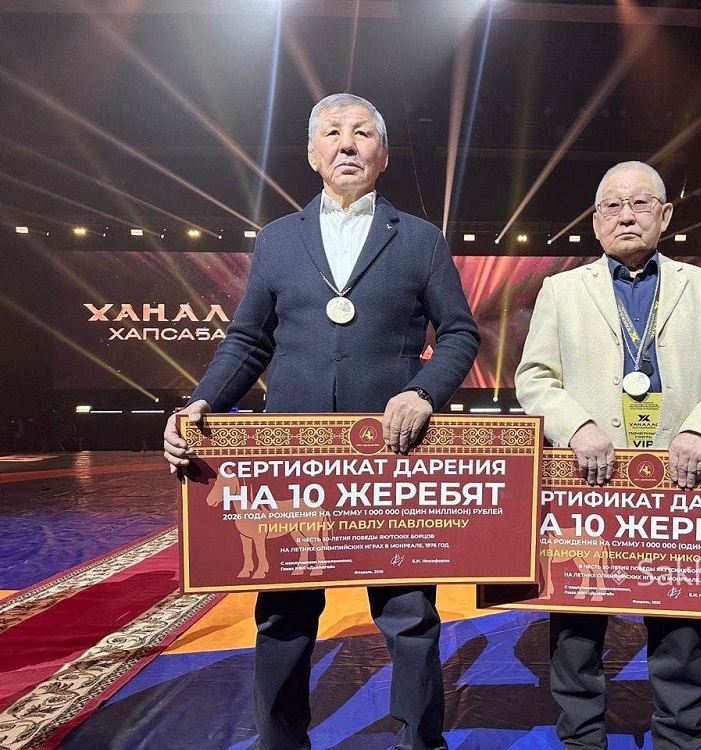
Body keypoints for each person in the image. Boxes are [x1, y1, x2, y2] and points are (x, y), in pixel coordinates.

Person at [163, 93, 480, 750]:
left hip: (391, 458)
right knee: (283, 618)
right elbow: (248, 339)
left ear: (383, 154)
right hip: (293, 458)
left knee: (409, 617)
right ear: (312, 153)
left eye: (362, 133)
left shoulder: (421, 239)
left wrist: (423, 393)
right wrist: (202, 401)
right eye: (331, 133)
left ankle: (419, 744)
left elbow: (459, 333)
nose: (347, 144)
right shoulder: (278, 239)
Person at [515, 161, 701, 749]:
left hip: (679, 481)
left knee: (678, 626)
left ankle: (679, 737)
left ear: (664, 216)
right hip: (587, 479)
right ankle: (581, 738)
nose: (626, 215)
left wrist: (700, 432)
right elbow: (534, 378)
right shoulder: (560, 290)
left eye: (641, 203)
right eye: (612, 206)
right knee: (577, 623)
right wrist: (577, 426)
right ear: (596, 221)